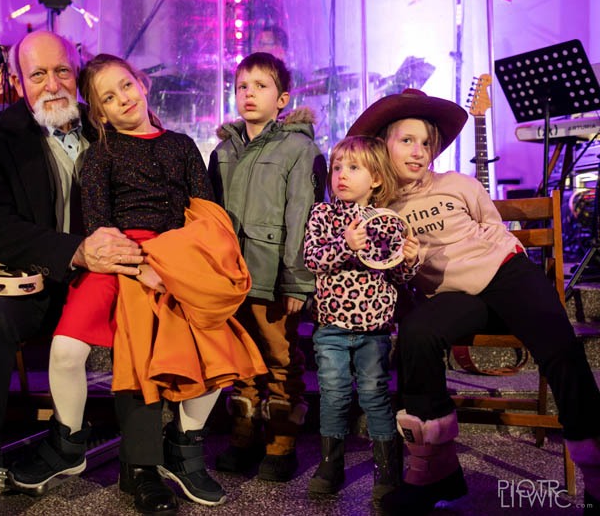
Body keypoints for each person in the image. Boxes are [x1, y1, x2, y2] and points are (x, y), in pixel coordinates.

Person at [7, 53, 266, 513]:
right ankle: (68, 442)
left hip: (179, 255)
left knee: (217, 352)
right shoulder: (99, 156)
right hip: (120, 259)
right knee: (67, 349)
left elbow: (205, 214)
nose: (123, 98)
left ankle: (184, 446)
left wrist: (174, 266)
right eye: (108, 97)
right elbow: (100, 228)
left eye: (126, 86)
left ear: (142, 84)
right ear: (100, 114)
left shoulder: (181, 146)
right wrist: (136, 266)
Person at [346, 88, 600, 514]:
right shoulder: (381, 208)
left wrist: (489, 251)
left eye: (426, 142)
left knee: (559, 347)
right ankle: (434, 473)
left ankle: (596, 475)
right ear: (383, 145)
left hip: (505, 274)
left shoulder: (458, 183)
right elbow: (386, 264)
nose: (418, 151)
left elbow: (493, 226)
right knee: (417, 333)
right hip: (455, 294)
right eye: (407, 140)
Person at [0, 31, 144, 516]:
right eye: (38, 75)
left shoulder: (108, 123)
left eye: (61, 71)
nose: (52, 85)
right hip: (32, 284)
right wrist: (75, 252)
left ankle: (151, 461)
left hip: (109, 283)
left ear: (77, 74)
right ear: (17, 82)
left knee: (158, 307)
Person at [209, 52, 326, 482]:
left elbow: (304, 217)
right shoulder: (224, 150)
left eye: (260, 86)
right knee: (241, 360)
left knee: (281, 359)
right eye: (242, 86)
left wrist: (296, 281)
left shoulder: (299, 149)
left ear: (282, 99)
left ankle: (281, 443)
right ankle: (242, 437)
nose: (249, 93)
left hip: (273, 276)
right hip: (232, 276)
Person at [303, 136, 419, 503]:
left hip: (374, 329)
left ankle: (387, 469)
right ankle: (330, 465)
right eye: (337, 167)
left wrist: (409, 260)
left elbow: (397, 275)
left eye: (353, 168)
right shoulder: (323, 215)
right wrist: (345, 244)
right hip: (332, 327)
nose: (341, 174)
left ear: (376, 179)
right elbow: (313, 259)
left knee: (374, 395)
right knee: (334, 395)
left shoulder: (387, 222)